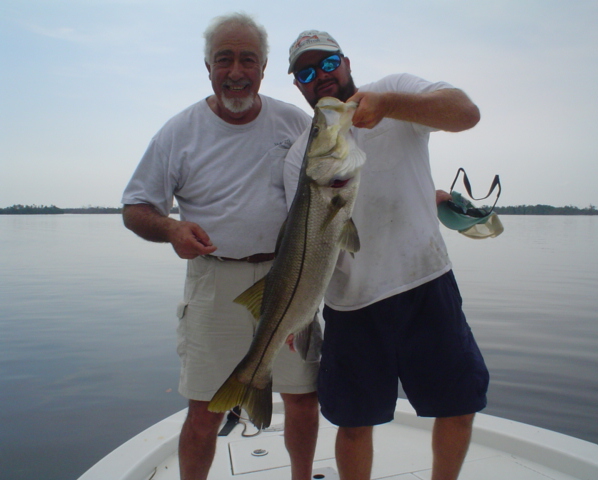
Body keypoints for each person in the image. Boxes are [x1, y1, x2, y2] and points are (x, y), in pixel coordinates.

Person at [283, 30, 489, 480]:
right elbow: (303, 242)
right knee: (354, 425)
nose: (320, 76)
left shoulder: (396, 93)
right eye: (306, 72)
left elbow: (465, 114)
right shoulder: (300, 154)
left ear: (346, 61)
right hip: (350, 305)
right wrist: (297, 313)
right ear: (297, 85)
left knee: (459, 407)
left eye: (327, 63)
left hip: (426, 284)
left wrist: (392, 104)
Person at [121, 14, 319, 480]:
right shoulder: (179, 131)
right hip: (213, 282)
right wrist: (171, 229)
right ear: (207, 67)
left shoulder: (295, 122)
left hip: (290, 276)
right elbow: (135, 207)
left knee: (302, 397)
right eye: (224, 59)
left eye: (247, 59)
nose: (235, 71)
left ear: (264, 67)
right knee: (206, 408)